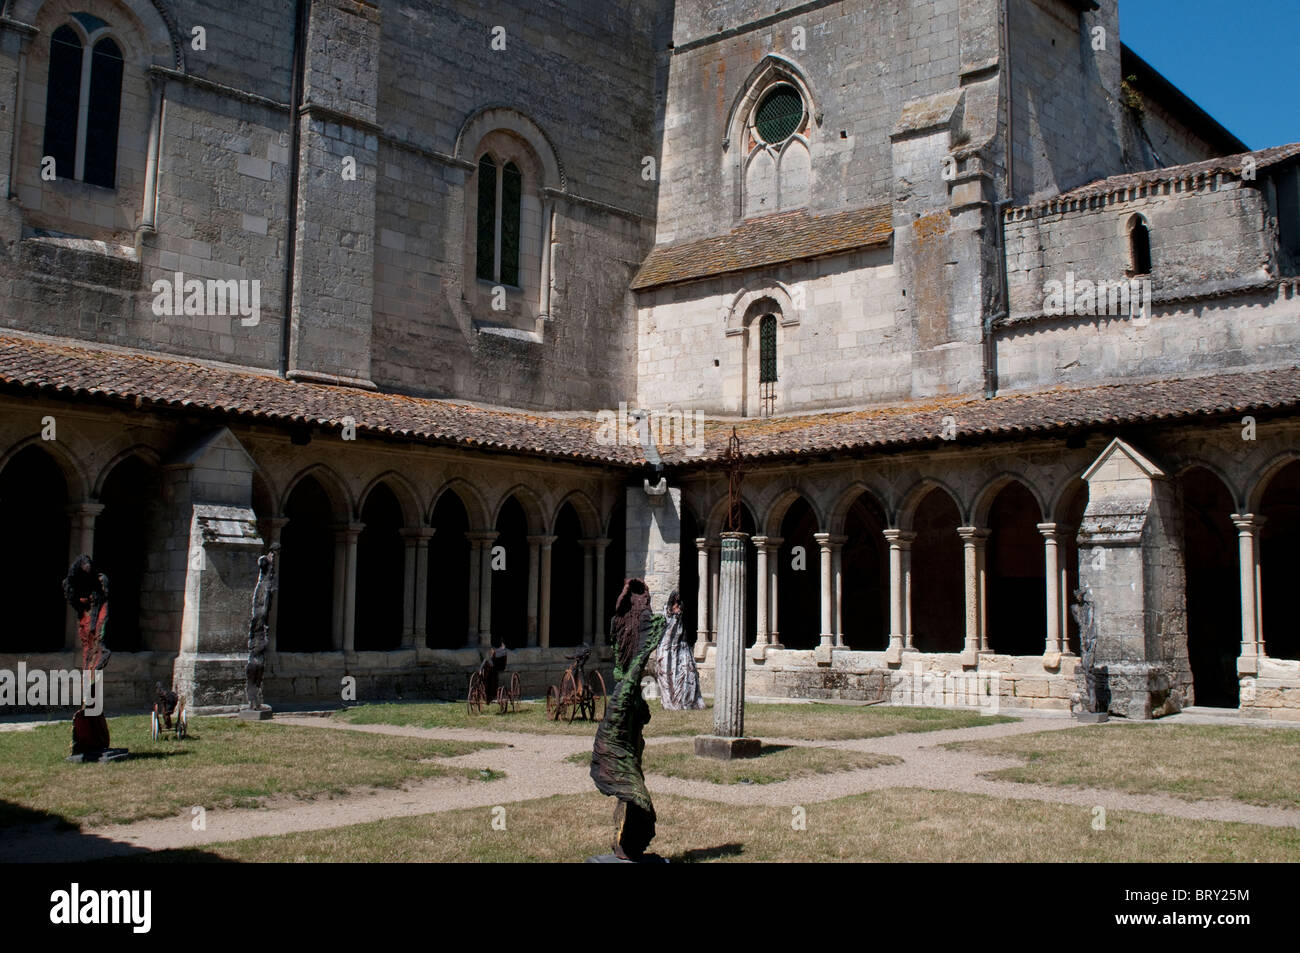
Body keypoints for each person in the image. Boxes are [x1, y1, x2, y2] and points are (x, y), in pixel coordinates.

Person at [654, 590, 705, 710]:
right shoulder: (666, 609)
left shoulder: (681, 607)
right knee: (667, 673)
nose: (677, 599)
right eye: (675, 597)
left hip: (680, 644)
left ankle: (685, 700)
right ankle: (671, 701)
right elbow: (665, 623)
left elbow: (679, 622)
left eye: (678, 597)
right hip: (667, 644)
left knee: (687, 671)